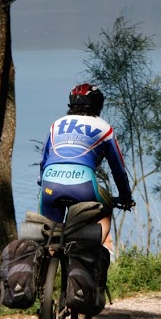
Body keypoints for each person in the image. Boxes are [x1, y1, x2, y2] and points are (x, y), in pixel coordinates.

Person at [38, 83, 133, 254]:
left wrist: (41, 184)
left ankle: (46, 261)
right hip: (83, 185)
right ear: (98, 105)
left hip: (50, 183)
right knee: (105, 209)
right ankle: (92, 254)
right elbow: (118, 169)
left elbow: (43, 161)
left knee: (51, 233)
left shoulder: (56, 125)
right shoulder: (105, 128)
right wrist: (125, 196)